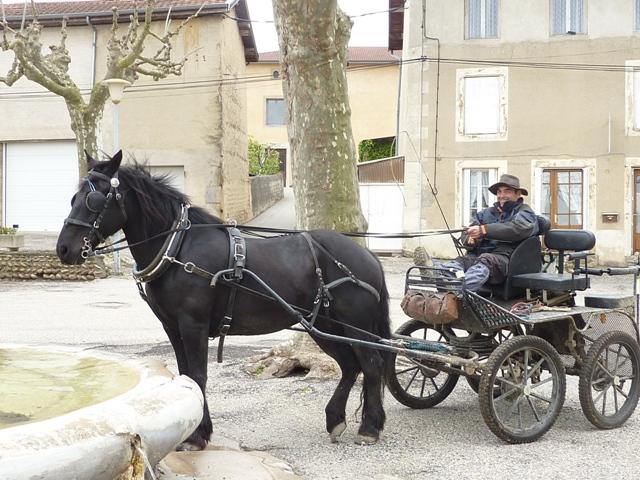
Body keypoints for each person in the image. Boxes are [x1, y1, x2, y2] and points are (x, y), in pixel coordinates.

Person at [414, 174, 542, 292]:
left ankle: (459, 289)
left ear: (518, 194)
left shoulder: (525, 213)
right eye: (499, 191)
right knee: (462, 261)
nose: (501, 195)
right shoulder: (485, 214)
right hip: (478, 257)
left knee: (486, 260)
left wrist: (483, 230)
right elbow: (466, 234)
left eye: (507, 191)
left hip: (507, 261)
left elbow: (517, 229)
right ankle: (437, 272)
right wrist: (471, 238)